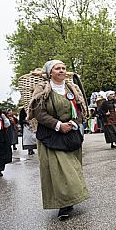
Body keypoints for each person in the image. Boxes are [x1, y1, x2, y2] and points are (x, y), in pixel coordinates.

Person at [28, 60, 88, 221]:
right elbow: (38, 113)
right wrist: (58, 125)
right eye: (57, 68)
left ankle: (71, 198)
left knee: (72, 169)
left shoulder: (71, 88)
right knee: (59, 172)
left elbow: (81, 110)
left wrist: (74, 123)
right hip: (51, 135)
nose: (61, 71)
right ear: (50, 72)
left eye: (63, 68)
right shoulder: (42, 89)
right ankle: (64, 205)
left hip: (70, 132)